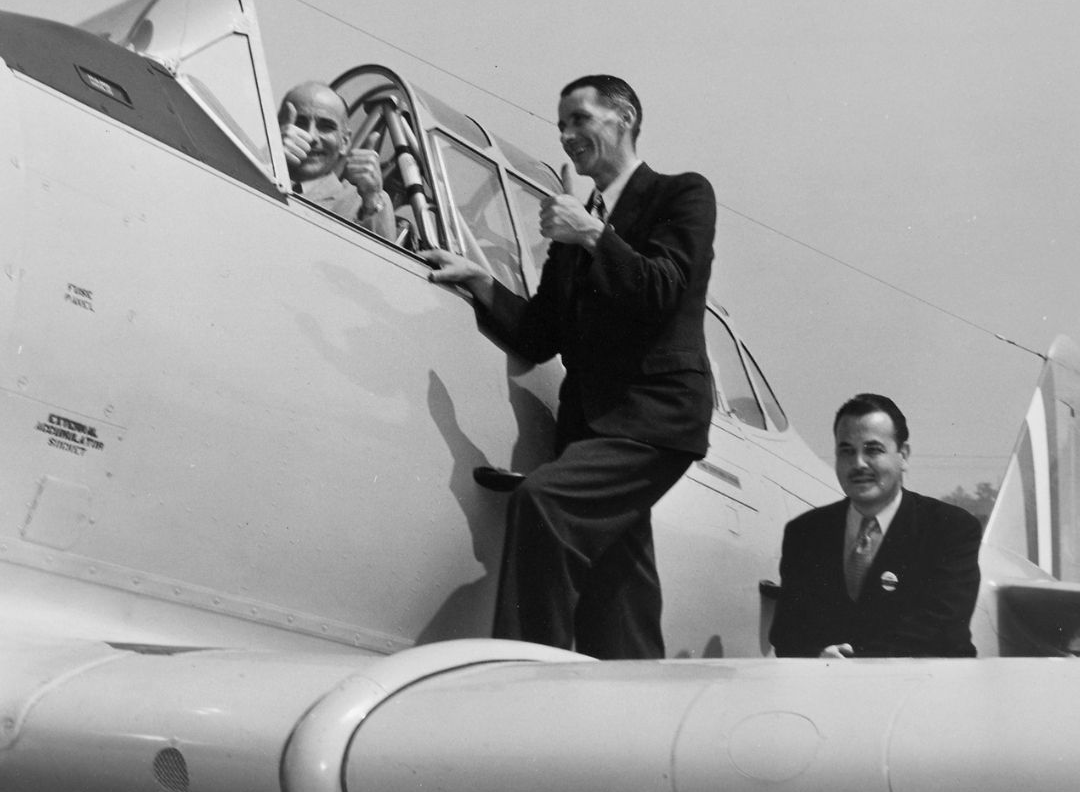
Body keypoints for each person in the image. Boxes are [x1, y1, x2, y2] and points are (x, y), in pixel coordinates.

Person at [424, 74, 716, 659]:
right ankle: (634, 713)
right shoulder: (577, 221)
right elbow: (540, 333)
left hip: (654, 421)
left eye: (579, 119)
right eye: (561, 125)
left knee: (544, 502)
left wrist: (589, 233)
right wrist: (480, 279)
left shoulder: (682, 194)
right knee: (620, 589)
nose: (567, 135)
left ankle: (522, 680)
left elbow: (665, 290)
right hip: (593, 427)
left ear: (625, 116)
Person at [769, 392, 982, 658]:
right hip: (830, 692)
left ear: (903, 455)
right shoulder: (804, 533)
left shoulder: (951, 528)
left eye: (873, 450)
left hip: (927, 692)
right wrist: (819, 657)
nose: (858, 463)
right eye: (846, 451)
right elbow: (786, 633)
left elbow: (940, 627)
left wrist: (855, 663)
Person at [278, 81, 396, 240]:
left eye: (326, 126)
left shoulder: (359, 201)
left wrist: (372, 199)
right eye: (300, 122)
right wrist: (272, 159)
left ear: (345, 142)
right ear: (279, 129)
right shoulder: (254, 173)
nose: (311, 136)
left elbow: (381, 262)